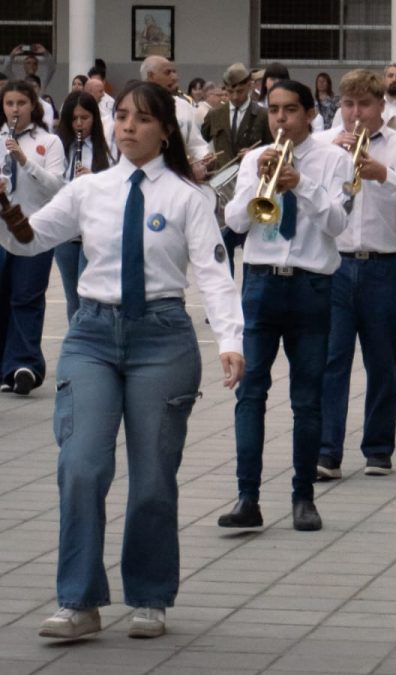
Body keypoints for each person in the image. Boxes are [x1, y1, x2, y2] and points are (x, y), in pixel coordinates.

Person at [0, 80, 243, 640]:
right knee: (82, 465)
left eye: (141, 118)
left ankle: (150, 594)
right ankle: (79, 601)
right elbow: (33, 238)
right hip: (91, 334)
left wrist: (231, 340)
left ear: (164, 130)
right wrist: (9, 215)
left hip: (161, 336)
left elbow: (213, 272)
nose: (127, 126)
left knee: (154, 476)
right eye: (123, 117)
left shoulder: (188, 197)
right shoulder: (91, 191)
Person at [218, 80, 352, 532]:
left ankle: (303, 497)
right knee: (250, 393)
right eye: (274, 110)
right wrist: (260, 182)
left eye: (290, 110)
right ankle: (247, 497)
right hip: (260, 283)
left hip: (312, 285)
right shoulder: (256, 158)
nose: (280, 119)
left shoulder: (333, 159)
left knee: (307, 399)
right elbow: (235, 221)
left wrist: (303, 185)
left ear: (310, 113)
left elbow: (337, 223)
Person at [313, 70, 396, 480]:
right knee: (332, 360)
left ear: (382, 105)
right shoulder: (323, 146)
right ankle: (328, 451)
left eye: (364, 104)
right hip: (336, 264)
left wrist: (385, 175)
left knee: (382, 359)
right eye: (348, 105)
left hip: (386, 264)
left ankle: (378, 449)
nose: (355, 114)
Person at [0, 80, 65, 395]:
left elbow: (56, 187)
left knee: (26, 297)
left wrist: (25, 162)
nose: (14, 110)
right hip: (1, 232)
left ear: (33, 106)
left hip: (34, 231)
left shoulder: (49, 142)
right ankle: (4, 366)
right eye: (9, 104)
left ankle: (25, 365)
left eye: (20, 104)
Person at [201, 63, 274, 275]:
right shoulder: (215, 115)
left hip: (251, 187)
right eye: (230, 91)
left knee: (251, 245)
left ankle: (247, 297)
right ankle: (227, 296)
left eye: (239, 91)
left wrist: (255, 154)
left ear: (250, 86)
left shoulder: (261, 114)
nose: (234, 96)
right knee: (223, 246)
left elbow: (273, 148)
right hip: (222, 191)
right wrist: (206, 159)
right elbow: (201, 140)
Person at [54, 91, 113, 322]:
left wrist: (94, 177)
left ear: (94, 119)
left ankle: (92, 340)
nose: (79, 124)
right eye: (74, 119)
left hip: (92, 229)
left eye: (85, 118)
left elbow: (115, 185)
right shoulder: (60, 147)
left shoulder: (104, 148)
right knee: (72, 295)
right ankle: (76, 342)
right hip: (66, 230)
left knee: (87, 292)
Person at [140, 56, 212, 177]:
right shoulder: (135, 106)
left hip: (179, 177)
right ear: (151, 76)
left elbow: (195, 144)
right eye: (168, 73)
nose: (175, 77)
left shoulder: (184, 107)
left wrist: (205, 156)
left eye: (174, 72)